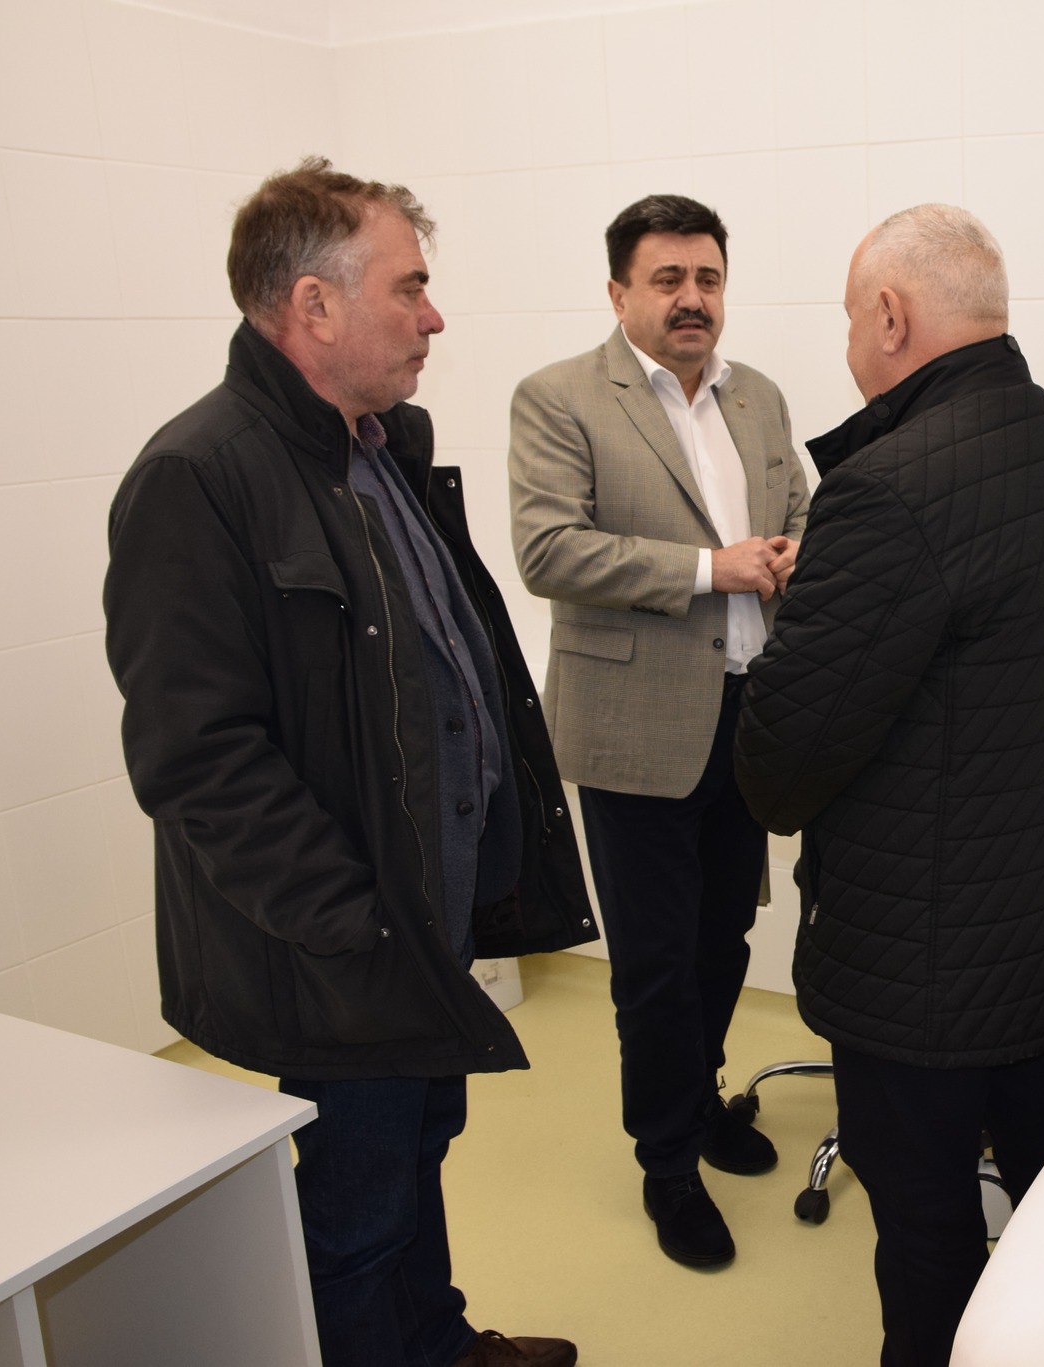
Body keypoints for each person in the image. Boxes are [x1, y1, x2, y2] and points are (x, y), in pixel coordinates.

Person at [103, 157, 592, 1367]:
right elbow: (195, 754)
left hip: (421, 917)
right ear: (312, 306)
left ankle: (437, 1340)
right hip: (343, 942)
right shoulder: (198, 477)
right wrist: (351, 920)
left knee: (419, 1146)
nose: (434, 316)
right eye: (408, 287)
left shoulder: (378, 450)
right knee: (355, 1215)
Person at [734, 204, 1044, 1366]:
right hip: (1040, 947)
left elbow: (780, 766)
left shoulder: (887, 490)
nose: (846, 348)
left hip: (919, 970)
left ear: (889, 316)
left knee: (924, 1234)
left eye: (847, 321)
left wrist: (802, 625)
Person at [508, 194, 810, 1269]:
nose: (693, 299)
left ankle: (703, 1098)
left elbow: (800, 511)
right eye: (668, 279)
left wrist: (793, 552)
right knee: (653, 964)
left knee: (722, 937)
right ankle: (667, 1163)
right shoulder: (558, 398)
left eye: (708, 279)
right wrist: (707, 568)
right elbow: (548, 550)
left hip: (746, 715)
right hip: (632, 724)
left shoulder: (758, 397)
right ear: (618, 292)